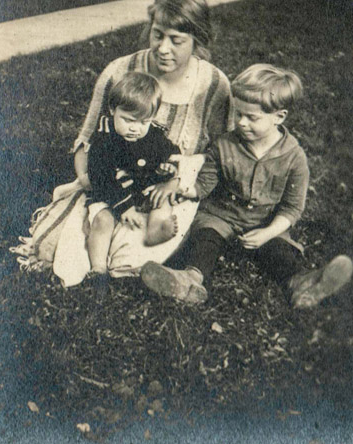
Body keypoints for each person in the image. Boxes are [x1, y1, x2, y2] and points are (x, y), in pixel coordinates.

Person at [12, 0, 233, 286]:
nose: (163, 48)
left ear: (197, 40)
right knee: (61, 246)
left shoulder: (214, 85)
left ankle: (132, 263)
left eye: (176, 40)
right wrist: (93, 182)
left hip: (169, 188)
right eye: (158, 35)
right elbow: (87, 140)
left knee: (137, 248)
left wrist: (177, 182)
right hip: (111, 179)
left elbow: (223, 154)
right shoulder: (120, 71)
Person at [141, 64, 353, 307]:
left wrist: (268, 232)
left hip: (264, 222)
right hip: (221, 216)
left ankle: (302, 284)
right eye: (238, 114)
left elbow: (292, 209)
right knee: (205, 237)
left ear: (279, 117)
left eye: (251, 117)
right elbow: (203, 185)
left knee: (278, 250)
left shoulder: (294, 157)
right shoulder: (224, 145)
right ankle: (188, 280)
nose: (241, 122)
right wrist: (179, 187)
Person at [86, 72, 183, 274]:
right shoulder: (104, 138)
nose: (135, 129)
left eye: (143, 122)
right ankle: (98, 267)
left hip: (142, 189)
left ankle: (155, 230)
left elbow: (173, 152)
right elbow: (101, 178)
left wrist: (170, 172)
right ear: (113, 110)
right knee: (102, 220)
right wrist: (125, 208)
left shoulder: (153, 133)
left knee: (162, 199)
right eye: (129, 120)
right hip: (111, 193)